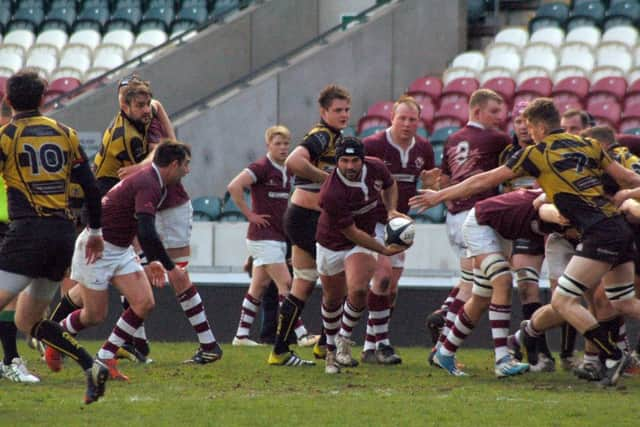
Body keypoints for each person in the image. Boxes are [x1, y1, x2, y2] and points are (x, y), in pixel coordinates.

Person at [410, 98, 640, 386]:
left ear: (540, 127)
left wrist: (439, 196)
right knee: (623, 300)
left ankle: (614, 354)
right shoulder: (588, 144)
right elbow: (630, 179)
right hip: (619, 227)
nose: (528, 133)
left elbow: (484, 180)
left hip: (598, 231)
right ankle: (603, 354)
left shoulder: (536, 153)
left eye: (530, 128)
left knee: (563, 300)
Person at [0, 70, 108, 403]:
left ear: (7, 99)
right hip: (62, 233)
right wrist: (95, 231)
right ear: (44, 98)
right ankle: (92, 366)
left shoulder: (6, 137)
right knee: (28, 319)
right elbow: (90, 188)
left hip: (28, 231)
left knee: (22, 316)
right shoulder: (66, 134)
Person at [268, 84, 351, 366]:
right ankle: (327, 344)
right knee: (341, 280)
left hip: (301, 217)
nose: (344, 114)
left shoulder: (336, 138)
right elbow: (293, 161)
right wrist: (327, 179)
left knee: (303, 283)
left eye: (347, 110)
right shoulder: (321, 135)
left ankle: (280, 350)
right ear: (324, 111)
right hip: (308, 219)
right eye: (337, 110)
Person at [428, 89, 510, 366]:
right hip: (476, 216)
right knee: (475, 286)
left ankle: (443, 319)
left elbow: (445, 181)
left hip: (453, 215)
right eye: (495, 111)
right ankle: (442, 346)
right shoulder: (497, 139)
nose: (502, 118)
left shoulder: (453, 138)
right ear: (477, 111)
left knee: (469, 281)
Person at [315, 137, 407, 373]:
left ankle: (343, 341)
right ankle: (331, 352)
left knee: (357, 290)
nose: (350, 166)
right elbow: (351, 233)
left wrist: (391, 210)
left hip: (363, 240)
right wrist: (384, 249)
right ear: (337, 162)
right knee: (332, 299)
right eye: (344, 161)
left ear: (362, 159)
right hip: (332, 243)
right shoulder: (331, 193)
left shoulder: (376, 166)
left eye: (355, 160)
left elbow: (390, 184)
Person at [361, 95, 436, 364]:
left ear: (419, 122)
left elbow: (428, 180)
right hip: (373, 223)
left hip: (400, 226)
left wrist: (432, 185)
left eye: (412, 119)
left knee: (390, 289)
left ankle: (370, 345)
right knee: (380, 279)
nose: (406, 123)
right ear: (391, 118)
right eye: (401, 118)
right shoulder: (373, 145)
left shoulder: (424, 149)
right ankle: (383, 344)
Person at [227, 125, 315, 347]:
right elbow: (234, 186)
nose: (283, 148)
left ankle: (241, 336)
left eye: (286, 144)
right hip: (263, 236)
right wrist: (250, 214)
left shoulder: (289, 169)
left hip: (276, 235)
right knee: (286, 283)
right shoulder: (261, 167)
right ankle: (302, 334)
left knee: (257, 288)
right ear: (268, 145)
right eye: (278, 144)